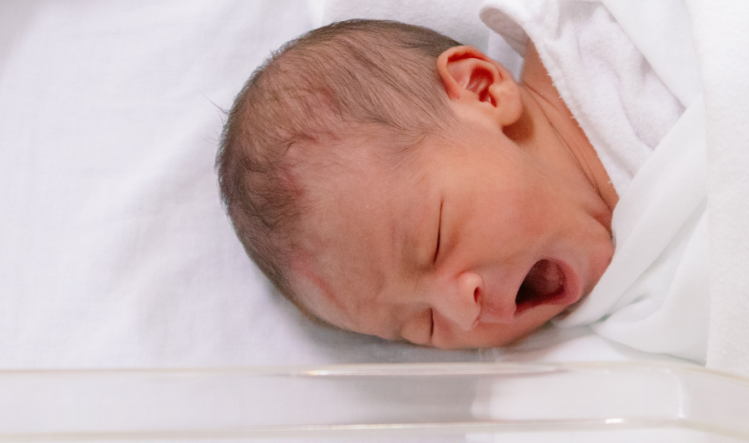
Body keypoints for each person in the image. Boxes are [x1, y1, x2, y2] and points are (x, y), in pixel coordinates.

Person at [217, 19, 618, 349]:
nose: (463, 310)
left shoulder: (602, 24)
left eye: (437, 240)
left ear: (482, 90)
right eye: (422, 325)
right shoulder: (599, 340)